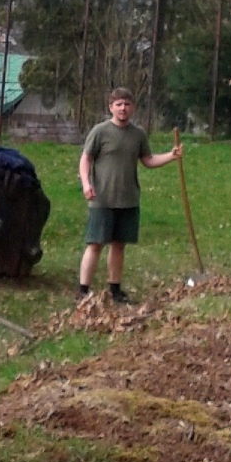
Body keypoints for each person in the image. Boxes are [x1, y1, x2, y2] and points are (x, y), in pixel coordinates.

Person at [77, 87, 182, 304]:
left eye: (126, 104)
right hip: (102, 199)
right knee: (95, 244)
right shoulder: (100, 131)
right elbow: (86, 159)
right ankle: (83, 291)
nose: (123, 108)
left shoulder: (138, 134)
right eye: (118, 104)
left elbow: (148, 160)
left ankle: (115, 290)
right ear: (111, 107)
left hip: (128, 200)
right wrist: (86, 184)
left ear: (132, 107)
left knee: (119, 245)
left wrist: (171, 156)